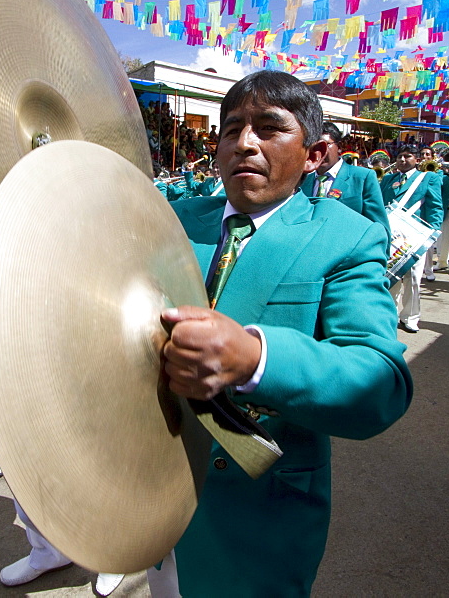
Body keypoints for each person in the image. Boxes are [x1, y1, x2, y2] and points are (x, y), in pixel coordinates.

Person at [150, 70, 412, 596]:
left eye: (269, 128)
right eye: (231, 130)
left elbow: (380, 381)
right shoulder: (172, 219)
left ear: (314, 155)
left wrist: (256, 359)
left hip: (258, 511)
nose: (244, 143)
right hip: (153, 485)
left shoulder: (347, 235)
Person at [379, 145, 444, 332]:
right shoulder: (389, 179)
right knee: (390, 274)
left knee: (413, 278)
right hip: (391, 234)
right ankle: (388, 314)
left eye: (407, 156)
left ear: (416, 159)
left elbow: (435, 206)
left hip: (415, 236)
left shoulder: (428, 178)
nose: (402, 160)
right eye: (399, 156)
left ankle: (410, 316)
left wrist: (433, 232)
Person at [301, 121, 390, 241]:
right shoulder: (304, 181)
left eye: (325, 145)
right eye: (313, 146)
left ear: (340, 146)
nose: (318, 152)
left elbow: (379, 227)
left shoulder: (363, 177)